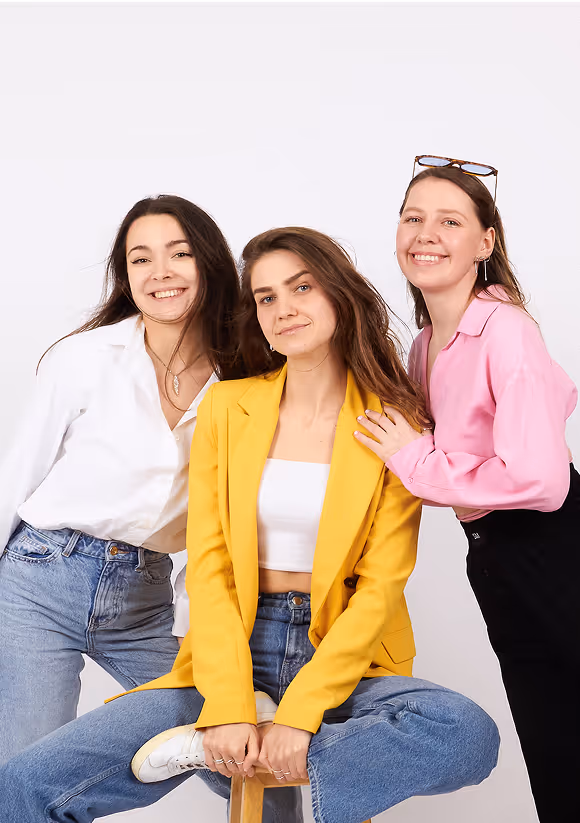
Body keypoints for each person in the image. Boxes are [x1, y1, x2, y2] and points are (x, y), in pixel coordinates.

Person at [0, 227, 500, 823]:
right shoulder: (228, 407)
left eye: (302, 287)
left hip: (340, 655)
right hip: (235, 649)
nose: (283, 308)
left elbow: (381, 587)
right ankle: (246, 749)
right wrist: (235, 706)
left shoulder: (395, 420)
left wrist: (298, 718)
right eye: (265, 297)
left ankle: (276, 759)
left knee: (466, 733)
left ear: (339, 294)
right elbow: (208, 566)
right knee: (23, 784)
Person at [354, 161, 579, 823]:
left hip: (557, 547)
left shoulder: (504, 330)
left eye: (450, 220)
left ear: (485, 242)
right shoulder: (426, 346)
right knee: (555, 744)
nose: (426, 233)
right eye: (413, 217)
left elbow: (541, 480)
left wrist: (416, 461)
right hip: (498, 557)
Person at [0, 194, 242, 763]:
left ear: (208, 263)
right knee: (29, 771)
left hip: (145, 594)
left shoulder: (244, 380)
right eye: (141, 258)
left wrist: (193, 615)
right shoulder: (84, 358)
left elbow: (228, 518)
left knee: (237, 753)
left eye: (179, 253)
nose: (161, 272)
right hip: (41, 578)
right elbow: (18, 474)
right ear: (124, 274)